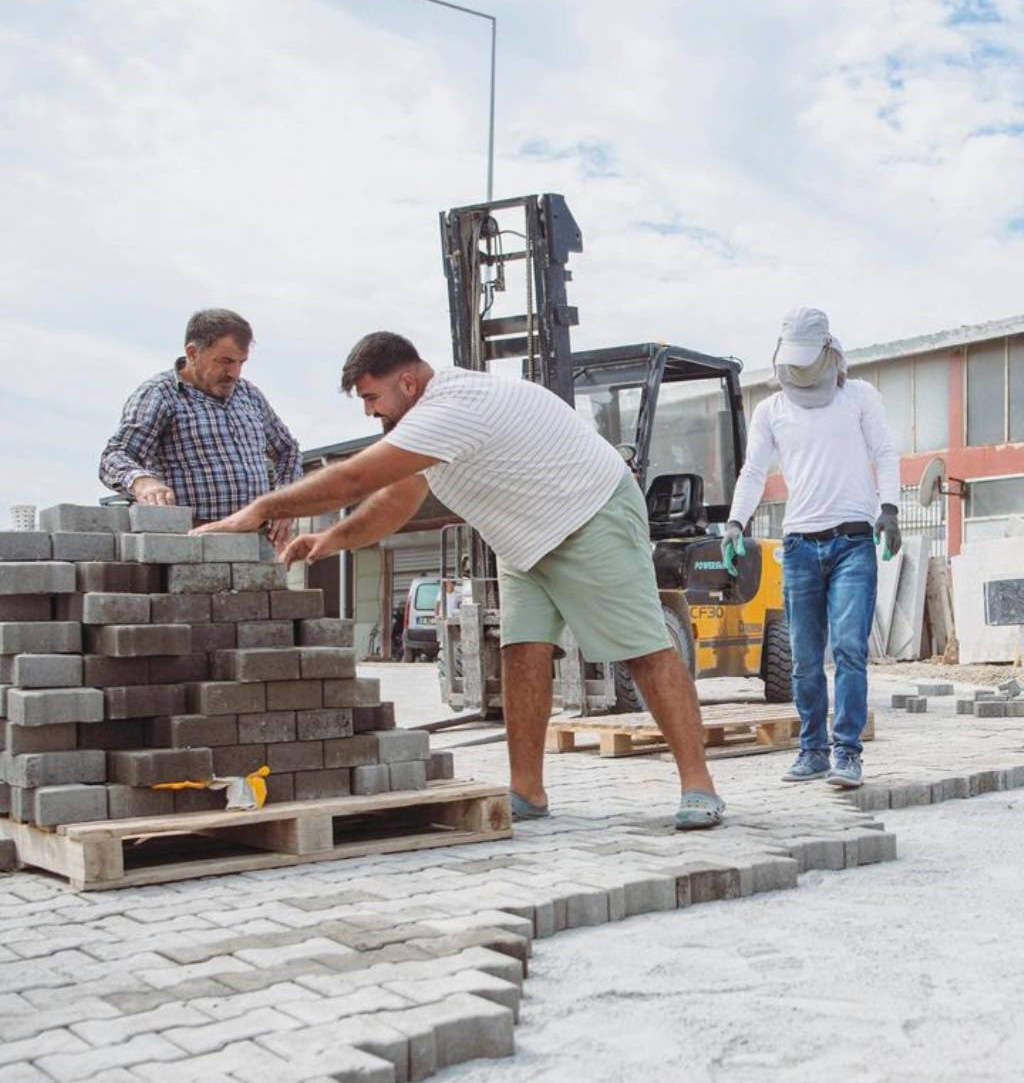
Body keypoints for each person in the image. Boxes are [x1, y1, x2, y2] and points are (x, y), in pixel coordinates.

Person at [196, 330, 726, 830]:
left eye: (371, 397)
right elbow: (395, 501)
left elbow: (356, 477)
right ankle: (527, 791)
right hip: (524, 536)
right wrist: (332, 540)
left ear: (408, 383)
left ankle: (698, 786)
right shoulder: (423, 424)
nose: (369, 411)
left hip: (588, 514)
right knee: (521, 652)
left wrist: (260, 508)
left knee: (641, 650)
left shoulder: (452, 405)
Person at [722, 307, 901, 790]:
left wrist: (889, 508)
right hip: (800, 546)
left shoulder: (859, 397)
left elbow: (884, 452)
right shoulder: (772, 410)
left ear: (829, 353)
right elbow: (754, 471)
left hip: (853, 544)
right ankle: (812, 751)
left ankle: (847, 753)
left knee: (847, 650)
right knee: (803, 658)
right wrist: (736, 521)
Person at [99, 308, 302, 549]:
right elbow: (114, 457)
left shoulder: (249, 395)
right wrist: (143, 482)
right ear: (193, 353)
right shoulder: (159, 395)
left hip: (257, 543)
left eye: (241, 362)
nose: (234, 373)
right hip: (191, 546)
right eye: (225, 361)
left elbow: (288, 450)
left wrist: (285, 501)